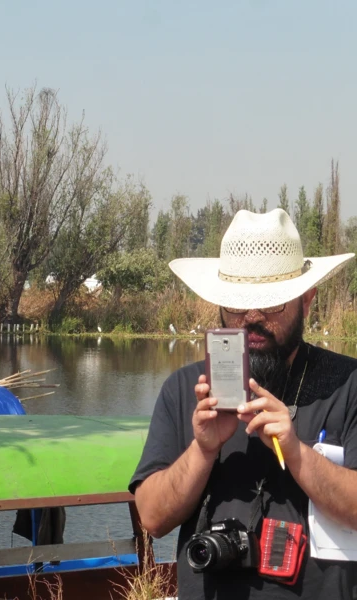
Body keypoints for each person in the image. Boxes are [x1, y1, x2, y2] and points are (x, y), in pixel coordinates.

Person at [130, 209, 357, 598]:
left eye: (271, 305)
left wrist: (295, 451)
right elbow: (152, 517)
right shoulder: (186, 389)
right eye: (236, 305)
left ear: (307, 301)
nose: (252, 317)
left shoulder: (348, 384)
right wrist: (202, 450)